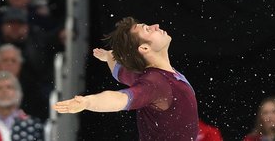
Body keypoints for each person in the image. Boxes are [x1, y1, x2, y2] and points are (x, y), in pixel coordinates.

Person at [53, 17, 198, 140]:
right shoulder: (156, 83)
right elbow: (120, 99)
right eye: (148, 29)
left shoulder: (149, 77)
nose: (156, 26)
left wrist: (108, 56)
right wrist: (87, 102)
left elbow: (120, 71)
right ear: (145, 49)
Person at [0, 44, 47, 120]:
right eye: (5, 60)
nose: (9, 64)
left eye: (13, 61)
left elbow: (40, 117)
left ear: (20, 65)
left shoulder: (32, 89)